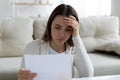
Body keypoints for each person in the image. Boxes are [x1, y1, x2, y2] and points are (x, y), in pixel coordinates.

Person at [18, 4, 94, 80]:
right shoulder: (33, 47)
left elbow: (88, 74)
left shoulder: (73, 49)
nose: (62, 34)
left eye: (68, 29)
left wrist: (76, 36)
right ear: (50, 26)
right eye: (57, 27)